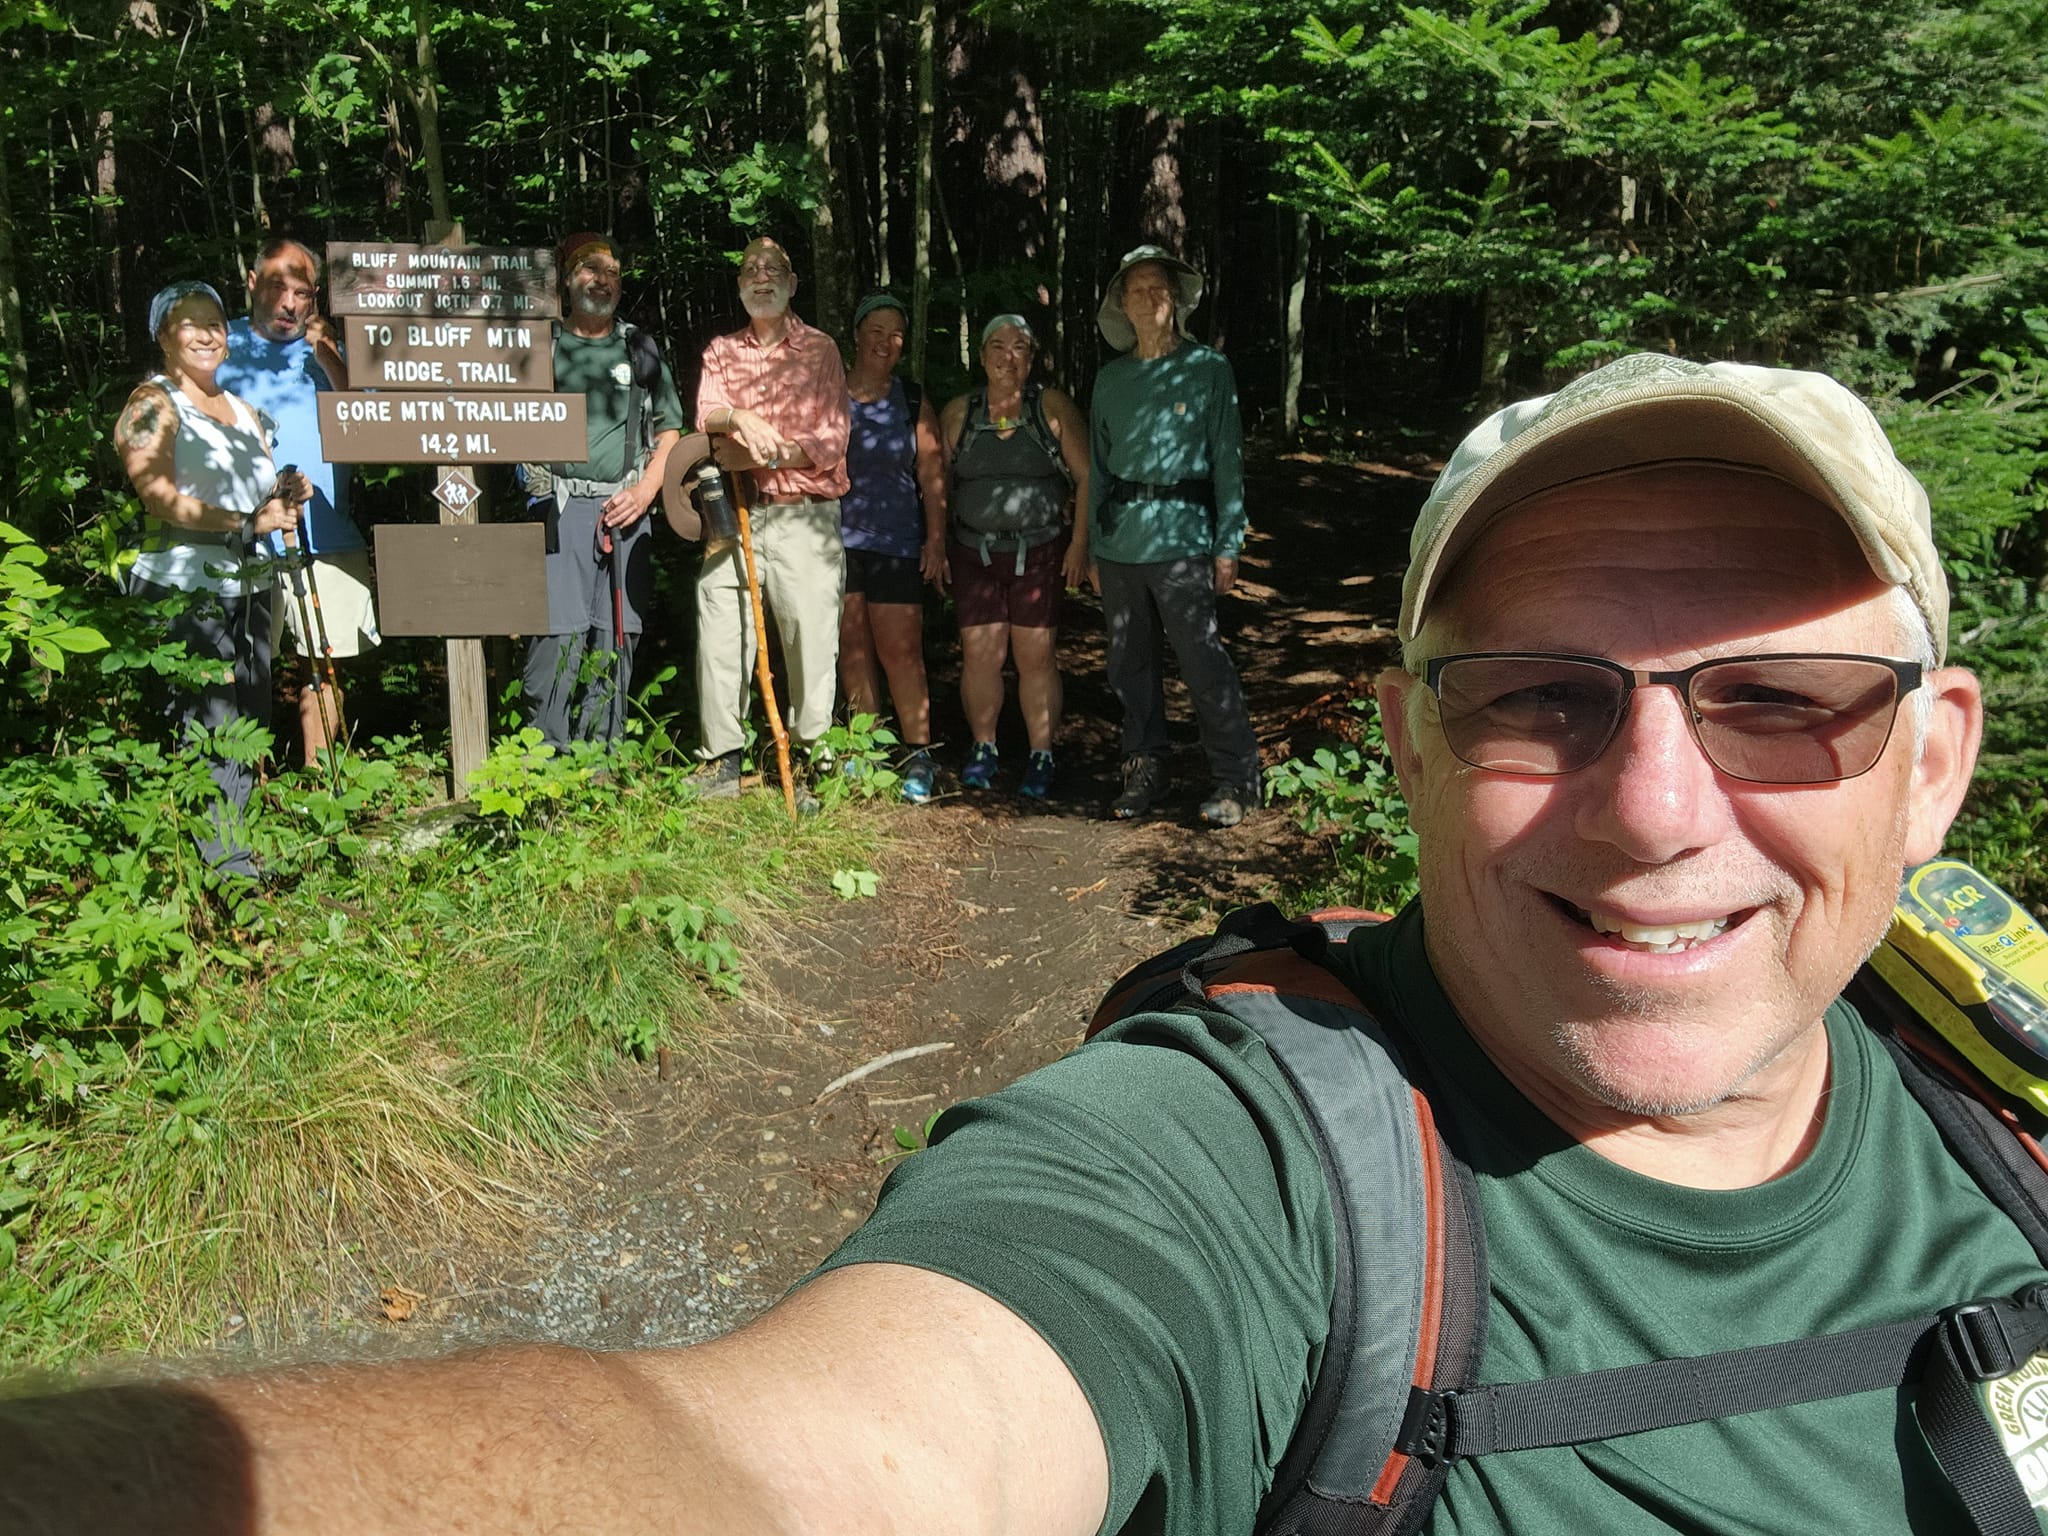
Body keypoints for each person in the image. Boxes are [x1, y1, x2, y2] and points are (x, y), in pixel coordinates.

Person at [13, 354, 2026, 1536]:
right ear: (1407, 746)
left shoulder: (2004, 1090)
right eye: (1541, 700)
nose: (1658, 808)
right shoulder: (1255, 1172)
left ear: (1932, 765)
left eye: (1782, 702)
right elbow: (792, 1464)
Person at [115, 281, 310, 881]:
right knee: (209, 727)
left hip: (250, 584)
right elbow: (158, 498)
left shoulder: (243, 410)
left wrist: (287, 492)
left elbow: (256, 490)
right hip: (183, 588)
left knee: (249, 723)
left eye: (215, 324)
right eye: (189, 323)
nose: (205, 335)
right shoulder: (152, 405)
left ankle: (234, 853)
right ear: (163, 336)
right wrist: (248, 522)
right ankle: (226, 873)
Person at [1088, 244, 1261, 828]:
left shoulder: (1208, 369)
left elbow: (1228, 461)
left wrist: (1228, 544)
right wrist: (1092, 546)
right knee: (1128, 666)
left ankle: (1236, 780)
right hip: (1119, 545)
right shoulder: (1111, 379)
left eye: (1158, 287)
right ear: (1122, 304)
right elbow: (1098, 470)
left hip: (1184, 540)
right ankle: (1145, 770)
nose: (1148, 298)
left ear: (1176, 299)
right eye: (1136, 289)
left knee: (1202, 663)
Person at [694, 236, 852, 811]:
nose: (761, 277)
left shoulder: (821, 350)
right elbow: (705, 414)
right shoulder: (721, 351)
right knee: (720, 629)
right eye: (750, 269)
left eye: (773, 269)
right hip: (732, 516)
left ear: (792, 282)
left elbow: (830, 442)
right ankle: (721, 761)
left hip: (803, 519)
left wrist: (768, 454)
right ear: (740, 284)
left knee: (810, 639)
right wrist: (739, 416)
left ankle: (811, 762)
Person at [214, 236, 379, 765]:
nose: (289, 303)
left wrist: (327, 354)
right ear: (251, 283)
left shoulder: (331, 353)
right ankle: (244, 787)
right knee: (243, 668)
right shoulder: (217, 349)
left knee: (323, 666)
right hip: (241, 537)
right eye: (276, 287)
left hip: (325, 534)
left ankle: (318, 783)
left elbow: (376, 428)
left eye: (302, 292)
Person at [519, 233, 682, 750]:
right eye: (591, 269)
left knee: (618, 632)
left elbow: (670, 430)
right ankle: (544, 753)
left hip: (628, 507)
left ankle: (600, 755)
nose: (603, 280)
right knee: (556, 633)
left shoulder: (639, 347)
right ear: (567, 280)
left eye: (612, 272)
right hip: (560, 505)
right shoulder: (542, 345)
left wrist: (647, 491)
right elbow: (505, 420)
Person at [940, 313, 1090, 800]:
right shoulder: (960, 413)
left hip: (1040, 551)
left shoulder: (1051, 407)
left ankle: (1042, 753)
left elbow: (1087, 476)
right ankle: (984, 748)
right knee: (980, 655)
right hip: (973, 552)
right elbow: (936, 483)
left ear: (1032, 357)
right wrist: (936, 544)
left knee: (1036, 656)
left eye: (1019, 348)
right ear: (982, 356)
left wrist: (1079, 545)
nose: (1008, 358)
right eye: (998, 348)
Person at [838, 290, 947, 804]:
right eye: (876, 331)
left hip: (898, 541)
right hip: (836, 542)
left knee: (901, 652)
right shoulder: (830, 392)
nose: (886, 342)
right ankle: (865, 751)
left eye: (896, 334)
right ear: (857, 335)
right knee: (852, 648)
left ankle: (919, 754)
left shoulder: (911, 399)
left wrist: (936, 540)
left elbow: (932, 472)